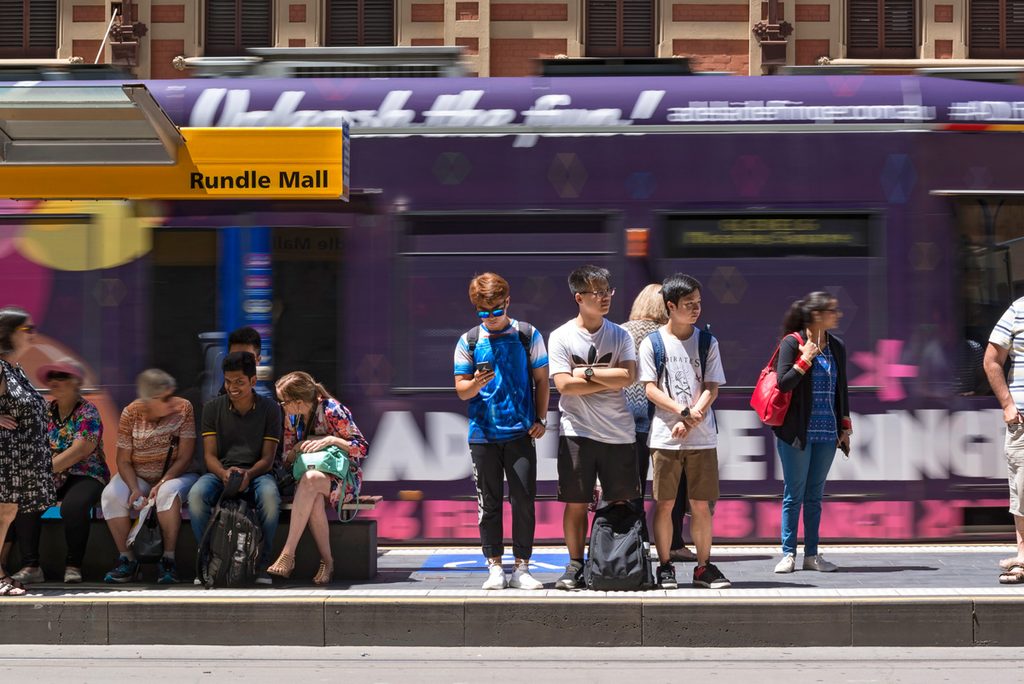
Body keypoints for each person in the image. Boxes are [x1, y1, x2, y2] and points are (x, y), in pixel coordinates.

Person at [453, 273, 549, 590]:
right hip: (483, 434)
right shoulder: (468, 341)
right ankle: (494, 566)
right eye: (484, 313)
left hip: (520, 433)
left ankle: (522, 567)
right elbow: (462, 391)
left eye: (496, 311)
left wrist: (541, 418)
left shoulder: (527, 334)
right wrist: (476, 383)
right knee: (489, 503)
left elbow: (541, 380)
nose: (491, 318)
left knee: (524, 500)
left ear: (507, 302)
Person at [548, 265, 639, 590]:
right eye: (596, 293)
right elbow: (563, 387)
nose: (604, 298)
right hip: (576, 432)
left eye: (607, 292)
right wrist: (605, 378)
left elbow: (628, 377)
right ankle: (574, 566)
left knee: (620, 503)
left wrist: (584, 373)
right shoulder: (560, 336)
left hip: (619, 433)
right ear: (579, 297)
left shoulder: (621, 334)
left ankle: (616, 564)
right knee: (575, 503)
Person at [639, 275, 730, 589]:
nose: (696, 309)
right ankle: (665, 566)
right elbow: (649, 388)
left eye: (699, 303)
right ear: (670, 306)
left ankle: (704, 567)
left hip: (702, 437)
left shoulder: (707, 342)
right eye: (689, 304)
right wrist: (681, 412)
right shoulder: (653, 343)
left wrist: (691, 417)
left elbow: (712, 387)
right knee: (664, 503)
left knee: (700, 504)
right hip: (665, 437)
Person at [771, 291, 851, 574]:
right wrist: (804, 360)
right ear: (816, 315)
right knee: (794, 493)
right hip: (796, 433)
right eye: (832, 310)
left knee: (815, 496)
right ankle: (788, 554)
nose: (837, 315)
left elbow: (842, 390)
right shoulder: (792, 343)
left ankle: (812, 555)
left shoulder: (837, 346)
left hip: (827, 433)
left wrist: (845, 428)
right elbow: (783, 384)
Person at [9, 360, 108, 584]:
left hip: (86, 473)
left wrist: (41, 470)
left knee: (73, 507)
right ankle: (31, 566)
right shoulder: (44, 410)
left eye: (61, 376)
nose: (54, 381)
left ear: (76, 383)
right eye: (51, 376)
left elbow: (80, 450)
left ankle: (74, 565)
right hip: (50, 474)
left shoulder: (88, 411)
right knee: (26, 500)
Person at [622, 284, 700, 562]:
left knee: (632, 486)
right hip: (664, 419)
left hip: (626, 420)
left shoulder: (622, 332)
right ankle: (675, 542)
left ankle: (636, 544)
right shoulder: (668, 336)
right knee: (672, 486)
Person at [267, 372, 368, 585]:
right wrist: (296, 449)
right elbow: (286, 460)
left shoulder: (333, 410)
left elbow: (362, 448)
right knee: (311, 491)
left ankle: (288, 554)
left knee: (310, 480)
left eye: (284, 402)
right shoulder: (291, 418)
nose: (281, 406)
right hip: (308, 482)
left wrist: (330, 440)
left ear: (299, 402)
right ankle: (328, 562)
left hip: (343, 479)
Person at [189, 351, 282, 584]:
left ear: (253, 381)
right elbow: (209, 456)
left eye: (239, 382)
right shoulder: (212, 408)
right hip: (220, 472)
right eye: (228, 381)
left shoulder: (271, 409)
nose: (232, 387)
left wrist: (248, 475)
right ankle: (207, 562)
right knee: (197, 496)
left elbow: (268, 459)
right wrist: (223, 474)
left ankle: (262, 564)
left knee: (270, 499)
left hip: (258, 473)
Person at [100, 369, 198, 584]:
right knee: (110, 495)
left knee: (167, 494)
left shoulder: (183, 408)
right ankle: (127, 559)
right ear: (150, 400)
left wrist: (163, 481)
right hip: (140, 475)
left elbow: (185, 458)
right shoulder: (130, 413)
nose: (172, 401)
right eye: (165, 398)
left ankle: (168, 560)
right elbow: (123, 460)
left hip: (176, 475)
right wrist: (134, 488)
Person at [0, 307, 55, 595]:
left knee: (7, 513)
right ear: (9, 333)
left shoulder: (15, 369)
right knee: (3, 514)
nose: (33, 335)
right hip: (5, 457)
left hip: (18, 460)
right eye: (27, 330)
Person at [984, 296, 1024, 582]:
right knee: (1022, 489)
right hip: (1023, 419)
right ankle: (1023, 557)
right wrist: (1009, 405)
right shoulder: (1018, 309)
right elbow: (992, 360)